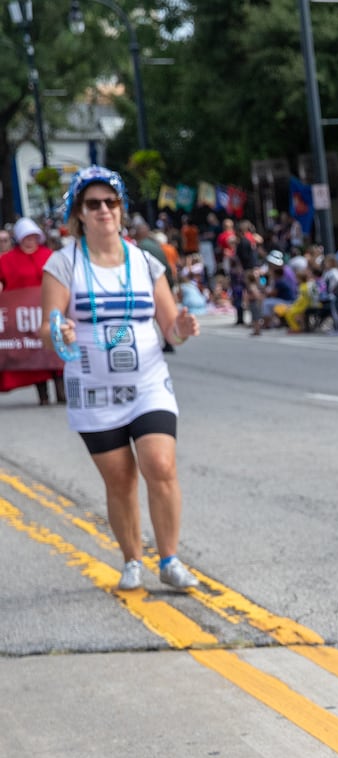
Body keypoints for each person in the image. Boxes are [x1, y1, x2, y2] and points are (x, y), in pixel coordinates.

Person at [38, 166, 202, 592]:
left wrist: (182, 327)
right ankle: (132, 560)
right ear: (79, 213)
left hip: (147, 383)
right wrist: (62, 331)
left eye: (111, 202)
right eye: (94, 204)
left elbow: (171, 331)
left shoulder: (145, 261)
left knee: (160, 465)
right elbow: (48, 326)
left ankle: (169, 559)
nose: (104, 211)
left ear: (122, 209)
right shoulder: (62, 263)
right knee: (120, 480)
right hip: (94, 389)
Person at [0, 217, 64, 404]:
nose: (31, 241)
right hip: (22, 317)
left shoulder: (49, 256)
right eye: (27, 237)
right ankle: (43, 395)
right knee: (34, 354)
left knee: (55, 352)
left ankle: (62, 392)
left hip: (49, 310)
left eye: (34, 237)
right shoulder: (8, 260)